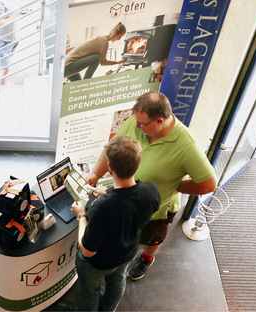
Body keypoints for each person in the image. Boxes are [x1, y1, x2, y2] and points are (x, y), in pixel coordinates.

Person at [85, 91, 217, 281]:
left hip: (156, 210)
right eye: (136, 121)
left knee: (151, 237)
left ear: (160, 121)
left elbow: (208, 184)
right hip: (125, 203)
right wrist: (95, 173)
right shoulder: (137, 121)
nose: (136, 126)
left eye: (141, 124)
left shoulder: (187, 146)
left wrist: (176, 186)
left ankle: (147, 258)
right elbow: (112, 147)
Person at [71, 136, 160, 311]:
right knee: (117, 284)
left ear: (110, 167)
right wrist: (108, 192)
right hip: (127, 253)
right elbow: (128, 206)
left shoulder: (103, 207)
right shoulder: (151, 191)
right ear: (137, 164)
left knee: (90, 291)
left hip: (99, 263)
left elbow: (88, 251)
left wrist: (81, 215)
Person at [0, 0, 20, 85]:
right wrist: (14, 16)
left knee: (6, 68)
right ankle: (3, 91)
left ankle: (4, 84)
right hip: (3, 41)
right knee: (4, 69)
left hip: (12, 39)